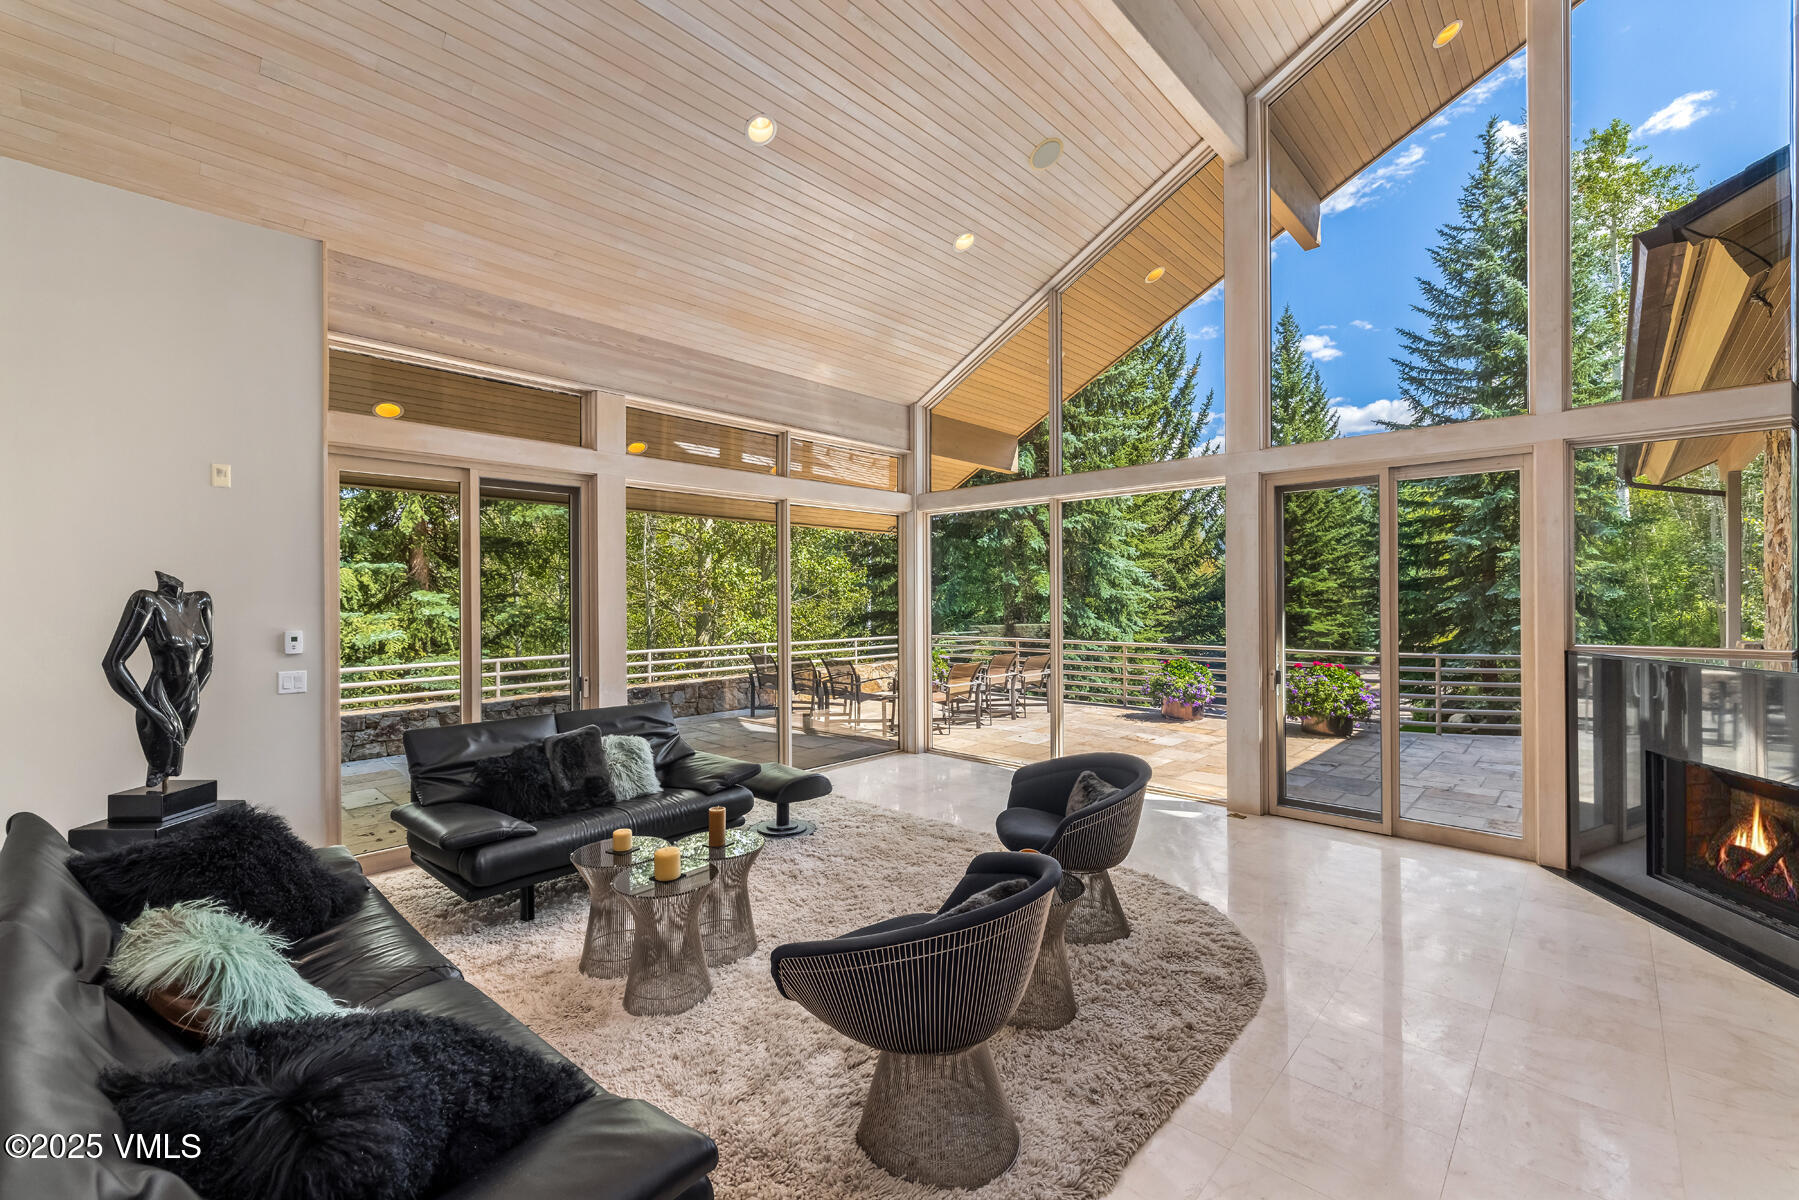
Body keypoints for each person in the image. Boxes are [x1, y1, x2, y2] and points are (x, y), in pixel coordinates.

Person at [101, 571, 213, 788]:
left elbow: (208, 660)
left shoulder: (201, 601)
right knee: (160, 766)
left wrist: (193, 694)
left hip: (189, 700)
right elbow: (113, 663)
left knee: (173, 764)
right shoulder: (146, 601)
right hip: (159, 701)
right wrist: (149, 710)